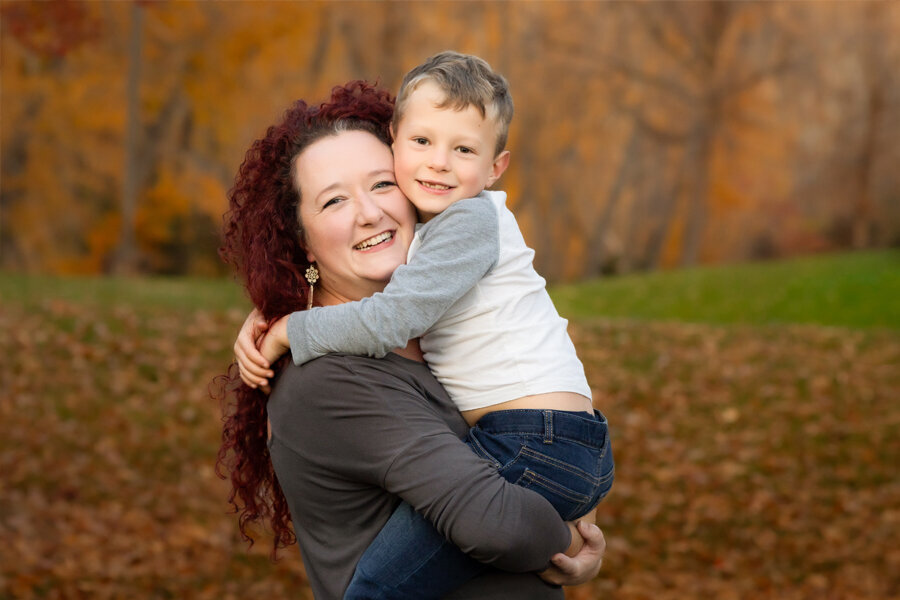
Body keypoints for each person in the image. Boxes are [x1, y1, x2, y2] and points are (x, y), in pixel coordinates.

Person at [234, 53, 614, 598]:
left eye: (382, 184)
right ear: (301, 241)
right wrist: (566, 538)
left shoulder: (439, 326)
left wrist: (288, 322)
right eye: (335, 200)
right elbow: (501, 524)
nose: (369, 212)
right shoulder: (329, 381)